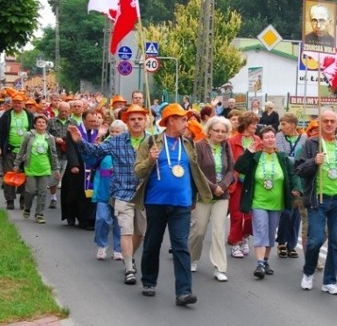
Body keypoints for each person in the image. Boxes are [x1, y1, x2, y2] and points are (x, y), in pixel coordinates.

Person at [134, 103, 212, 306]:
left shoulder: (189, 144)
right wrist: (150, 160)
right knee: (152, 243)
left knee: (180, 246)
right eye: (183, 119)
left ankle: (184, 292)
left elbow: (194, 172)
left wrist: (195, 196)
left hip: (182, 204)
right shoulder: (151, 142)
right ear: (170, 121)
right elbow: (138, 172)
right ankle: (149, 281)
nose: (187, 123)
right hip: (156, 202)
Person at [68, 104, 150, 285]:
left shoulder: (153, 141)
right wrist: (80, 141)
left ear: (146, 121)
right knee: (126, 230)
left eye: (140, 119)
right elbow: (95, 152)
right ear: (127, 122)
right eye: (133, 119)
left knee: (140, 233)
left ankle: (130, 257)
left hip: (145, 194)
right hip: (122, 192)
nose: (136, 122)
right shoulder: (117, 140)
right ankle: (129, 268)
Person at [295, 109, 337, 294]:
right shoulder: (311, 144)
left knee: (336, 242)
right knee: (315, 240)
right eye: (326, 121)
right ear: (320, 123)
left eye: (333, 121)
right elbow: (299, 168)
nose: (329, 124)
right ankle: (308, 272)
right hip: (318, 200)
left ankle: (330, 281)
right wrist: (313, 162)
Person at [234, 125, 302, 279]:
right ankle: (259, 264)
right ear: (262, 141)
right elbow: (239, 167)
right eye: (267, 137)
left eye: (272, 136)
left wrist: (297, 188)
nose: (270, 139)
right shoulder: (256, 156)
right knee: (260, 230)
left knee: (271, 234)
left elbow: (293, 174)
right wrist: (248, 153)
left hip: (276, 203)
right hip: (259, 202)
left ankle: (265, 261)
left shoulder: (283, 158)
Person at [188, 116, 235, 281]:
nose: (220, 134)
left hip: (222, 196)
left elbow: (231, 169)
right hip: (203, 194)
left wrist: (222, 185)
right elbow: (197, 171)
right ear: (209, 131)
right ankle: (192, 258)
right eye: (217, 130)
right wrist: (213, 187)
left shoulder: (226, 146)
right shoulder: (199, 146)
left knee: (218, 230)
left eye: (223, 131)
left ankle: (219, 268)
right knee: (199, 230)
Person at [226, 111, 261, 259]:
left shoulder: (258, 140)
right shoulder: (233, 140)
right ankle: (234, 243)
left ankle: (245, 237)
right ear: (245, 124)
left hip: (253, 182)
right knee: (236, 214)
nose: (255, 126)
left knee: (250, 215)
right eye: (253, 123)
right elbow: (230, 163)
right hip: (237, 182)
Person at [61, 109, 101, 229]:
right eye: (90, 121)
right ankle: (71, 215)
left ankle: (86, 219)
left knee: (89, 195)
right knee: (74, 193)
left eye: (95, 121)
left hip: (92, 168)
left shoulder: (98, 132)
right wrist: (74, 164)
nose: (93, 123)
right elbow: (71, 148)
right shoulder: (75, 131)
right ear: (84, 120)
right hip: (78, 167)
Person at [0, 93, 31, 210]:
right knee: (9, 175)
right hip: (9, 150)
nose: (17, 104)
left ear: (23, 103)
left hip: (26, 152)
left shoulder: (29, 115)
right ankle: (10, 200)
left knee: (26, 176)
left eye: (19, 102)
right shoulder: (7, 115)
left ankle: (23, 199)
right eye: (15, 102)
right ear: (12, 103)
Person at [93, 119, 126, 261]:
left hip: (120, 190)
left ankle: (118, 249)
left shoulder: (126, 146)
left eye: (117, 132)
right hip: (103, 189)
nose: (113, 134)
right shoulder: (104, 145)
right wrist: (97, 141)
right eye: (111, 131)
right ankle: (101, 245)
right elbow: (92, 157)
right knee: (102, 219)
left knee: (119, 222)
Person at [275, 112, 307, 259]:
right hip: (284, 178)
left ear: (293, 125)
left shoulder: (304, 138)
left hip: (299, 180)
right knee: (286, 212)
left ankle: (292, 245)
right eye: (281, 124)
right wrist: (295, 160)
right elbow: (281, 156)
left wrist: (294, 160)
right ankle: (281, 241)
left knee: (296, 214)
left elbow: (304, 158)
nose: (282, 127)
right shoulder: (279, 137)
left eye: (284, 124)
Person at [16, 114, 58, 224]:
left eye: (43, 122)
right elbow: (22, 150)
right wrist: (17, 164)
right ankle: (27, 207)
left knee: (42, 192)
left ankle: (39, 214)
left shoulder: (50, 138)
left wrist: (56, 169)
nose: (41, 124)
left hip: (45, 168)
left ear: (46, 125)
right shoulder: (29, 135)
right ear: (34, 124)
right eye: (39, 122)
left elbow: (53, 154)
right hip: (30, 167)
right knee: (30, 191)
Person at [46, 101, 73, 209]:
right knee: (54, 176)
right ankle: (53, 197)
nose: (64, 113)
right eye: (62, 111)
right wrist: (55, 139)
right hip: (55, 153)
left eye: (66, 111)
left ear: (69, 111)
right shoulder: (51, 122)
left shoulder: (73, 122)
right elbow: (46, 134)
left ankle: (65, 199)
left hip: (68, 153)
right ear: (58, 110)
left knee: (64, 176)